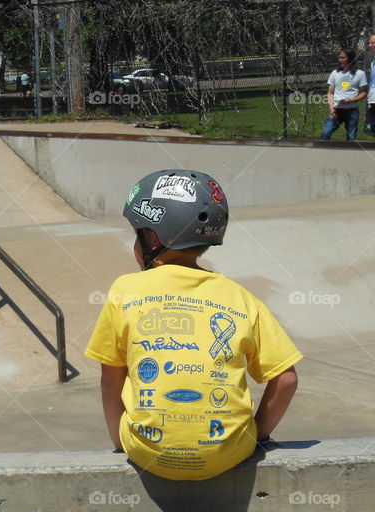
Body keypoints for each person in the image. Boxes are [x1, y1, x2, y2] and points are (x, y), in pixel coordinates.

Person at [84, 169, 301, 481]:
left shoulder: (125, 290)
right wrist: (255, 436)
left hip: (148, 452)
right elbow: (286, 380)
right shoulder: (242, 298)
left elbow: (111, 378)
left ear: (153, 239)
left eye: (138, 234)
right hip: (229, 453)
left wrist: (123, 443)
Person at [320, 48, 367, 140]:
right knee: (325, 134)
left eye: (343, 57)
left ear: (350, 58)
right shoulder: (335, 73)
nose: (340, 60)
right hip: (337, 110)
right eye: (339, 57)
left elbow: (365, 92)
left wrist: (352, 100)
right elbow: (330, 93)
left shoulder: (360, 74)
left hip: (352, 111)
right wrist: (331, 108)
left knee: (351, 138)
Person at [366, 35, 375, 136]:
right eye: (370, 43)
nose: (370, 45)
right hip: (372, 100)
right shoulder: (373, 63)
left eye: (373, 43)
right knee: (372, 128)